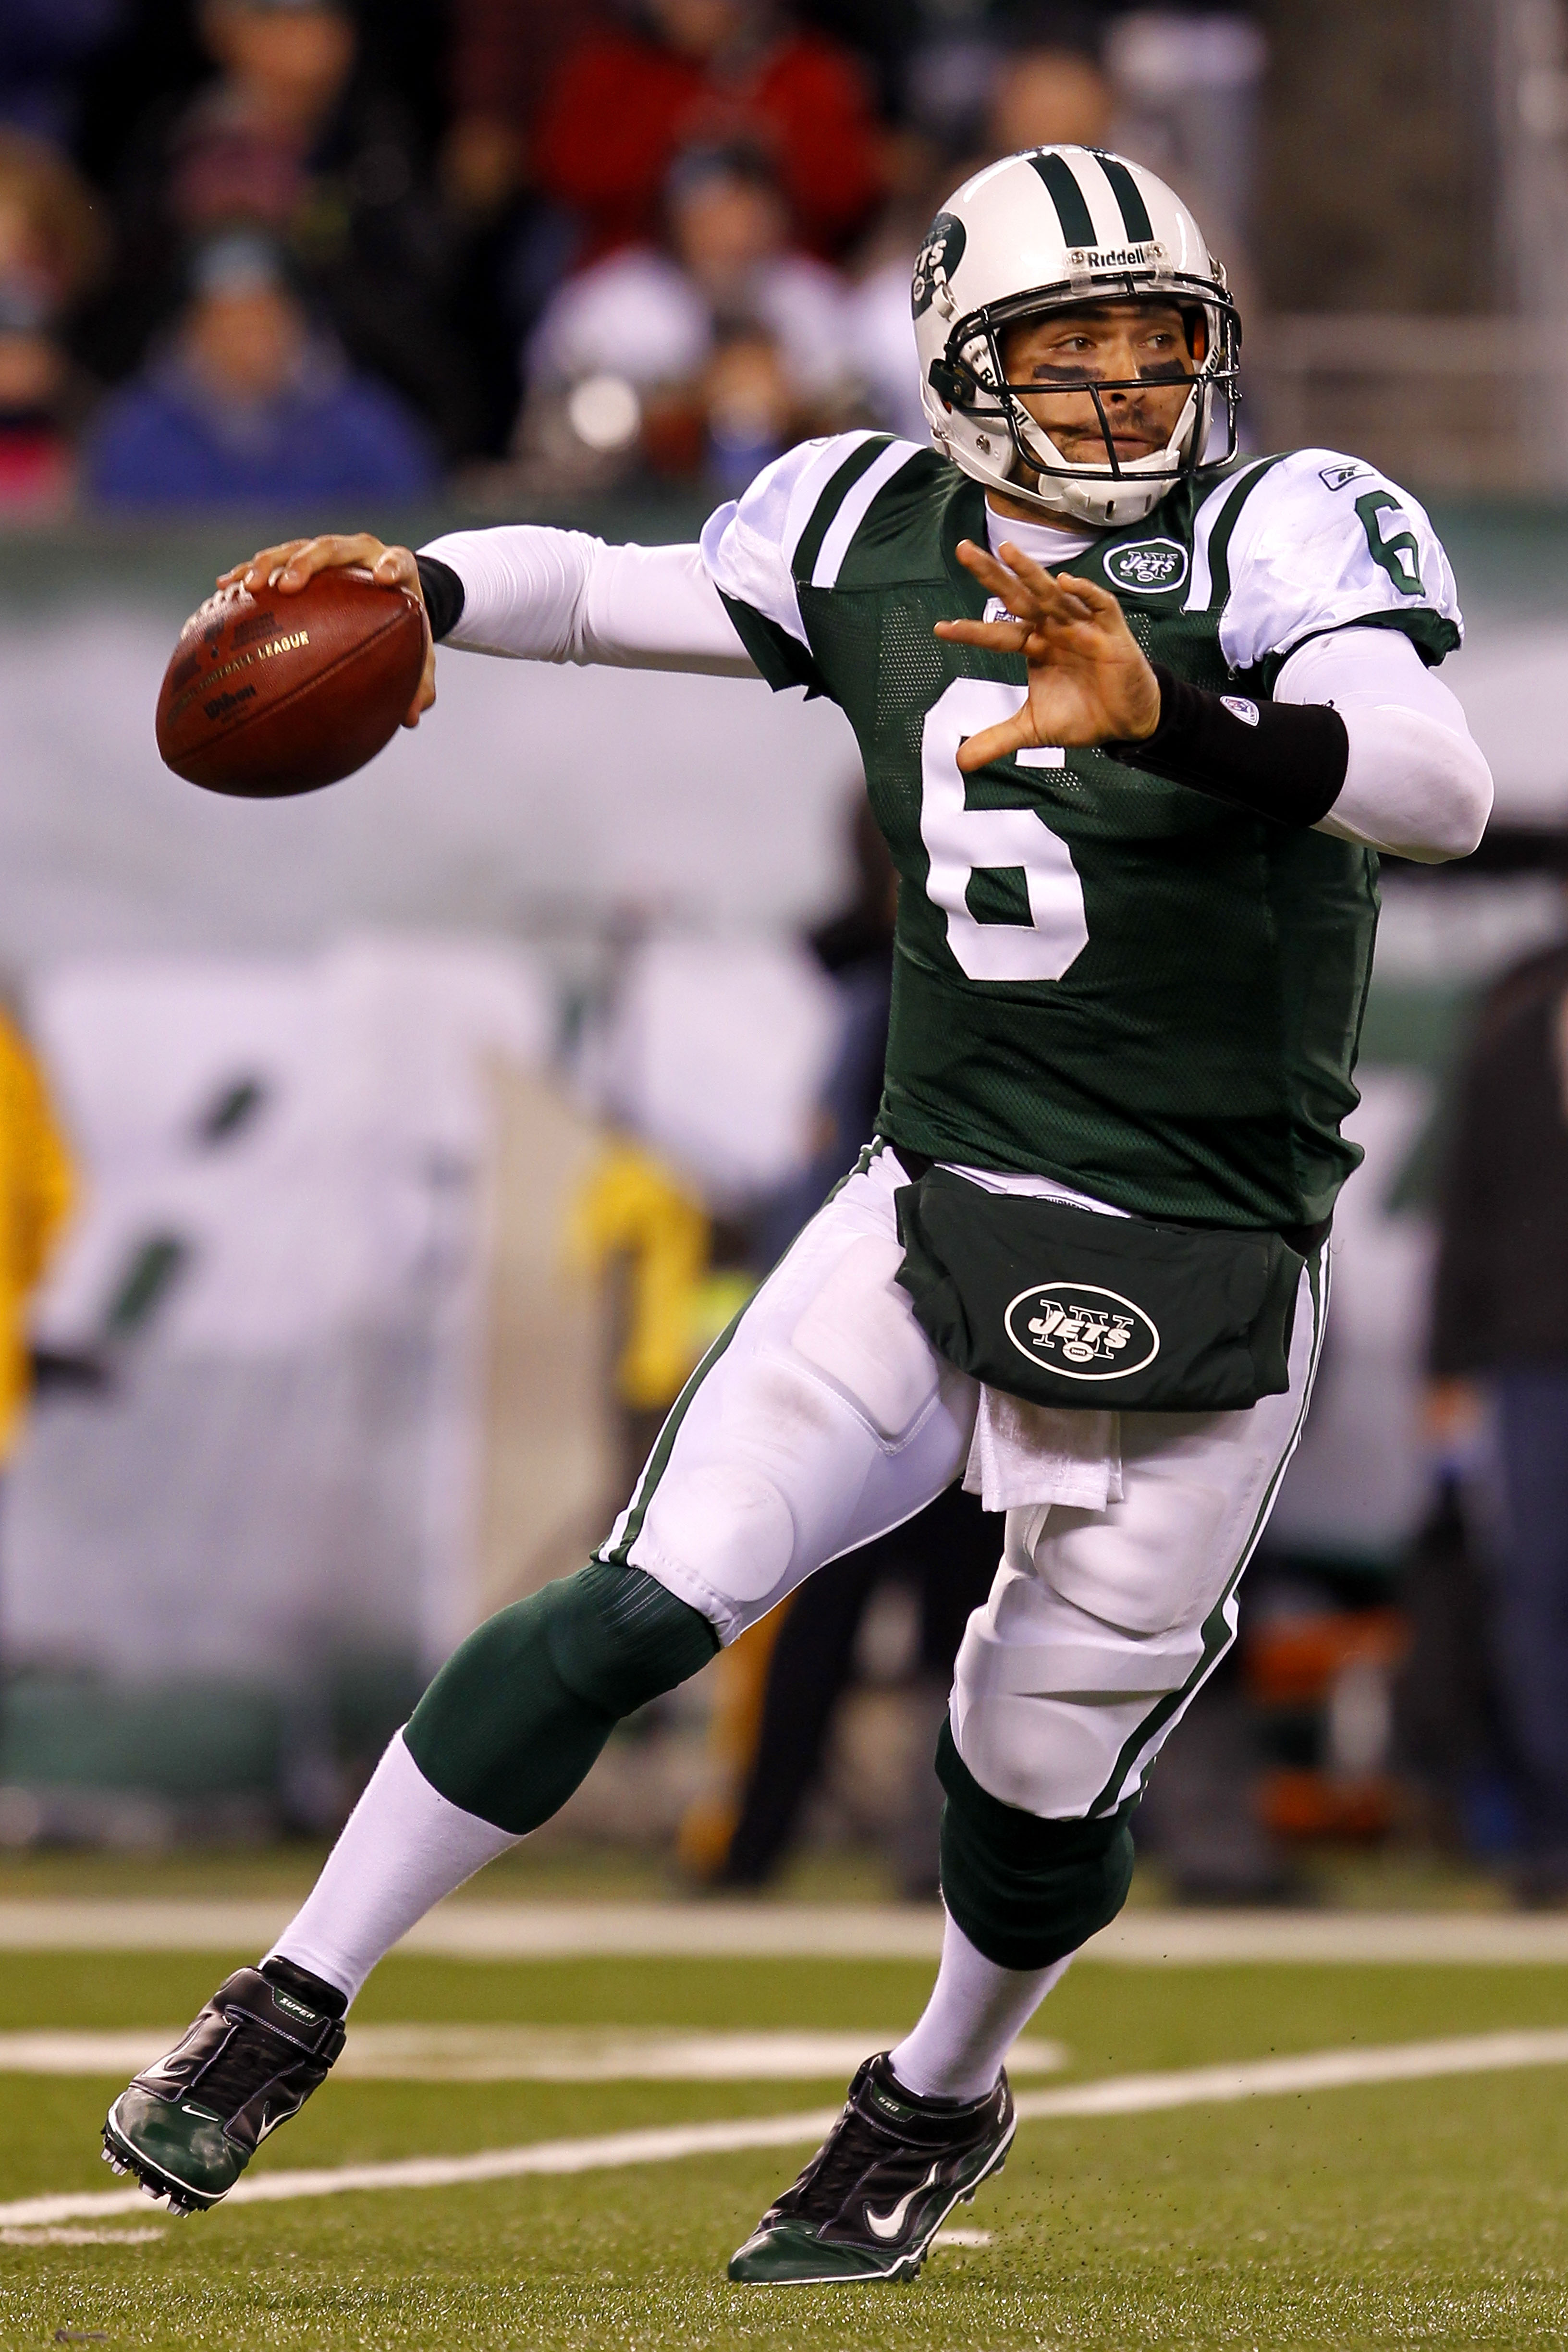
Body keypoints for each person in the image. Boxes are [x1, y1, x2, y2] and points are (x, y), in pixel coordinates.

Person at [104, 143, 1492, 2282]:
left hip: (1211, 1245)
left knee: (1030, 1768)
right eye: (1073, 349)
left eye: (1159, 346)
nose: (1127, 390)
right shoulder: (865, 519)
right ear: (962, 363)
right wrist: (431, 583)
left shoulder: (1286, 526)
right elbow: (606, 587)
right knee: (660, 1593)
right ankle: (283, 1998)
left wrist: (1183, 716)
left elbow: (1434, 780)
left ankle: (938, 2084)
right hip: (932, 1195)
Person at [1428, 935, 1568, 1901]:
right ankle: (1557, 1826)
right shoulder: (1514, 1042)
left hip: (1533, 1360)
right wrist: (1445, 1367)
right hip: (1535, 1361)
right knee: (1535, 1594)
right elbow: (1463, 1208)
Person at [85, 230, 436, 507]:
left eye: (264, 316)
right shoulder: (138, 434)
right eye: (225, 321)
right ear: (192, 330)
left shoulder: (365, 427)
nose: (247, 337)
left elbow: (412, 541)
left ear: (297, 321)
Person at [532, 0, 882, 265]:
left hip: (779, 270)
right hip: (641, 263)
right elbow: (562, 170)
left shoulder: (806, 69)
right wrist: (675, 138)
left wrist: (773, 147)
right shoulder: (612, 66)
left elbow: (849, 193)